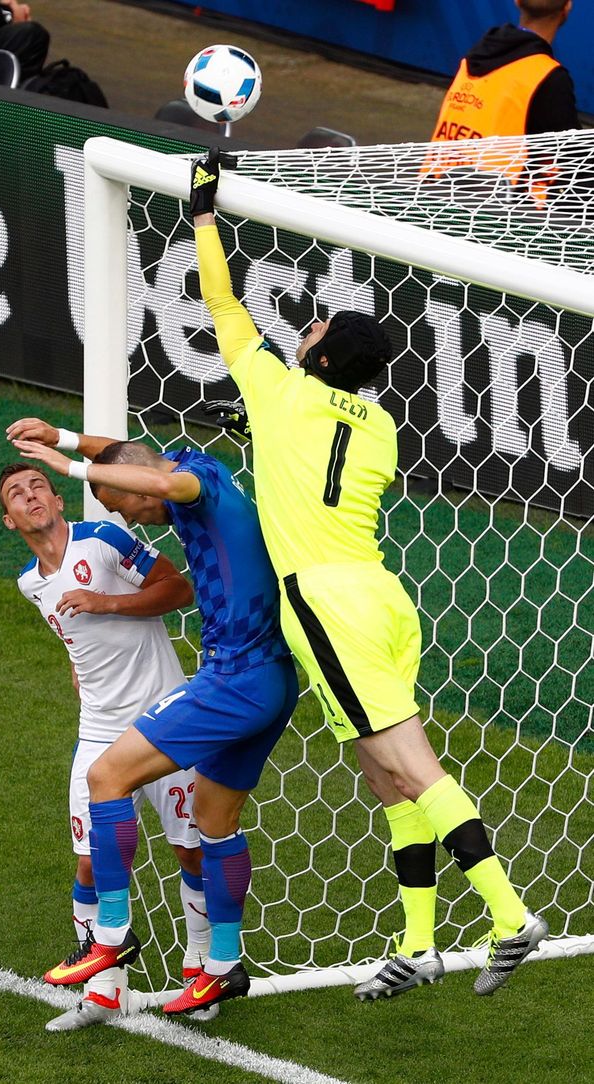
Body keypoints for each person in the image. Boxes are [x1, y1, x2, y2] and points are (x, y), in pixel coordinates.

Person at [187, 148, 549, 1001]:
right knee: (385, 777)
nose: (299, 332)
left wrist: (205, 215)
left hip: (325, 601)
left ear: (316, 356)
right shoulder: (379, 427)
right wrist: (259, 419)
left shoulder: (281, 392)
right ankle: (420, 944)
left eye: (309, 331)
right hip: (381, 598)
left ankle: (508, 914)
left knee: (414, 768)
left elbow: (220, 300)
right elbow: (319, 457)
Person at [6, 418, 298, 1017]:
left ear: (146, 491)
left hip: (231, 678)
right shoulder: (196, 465)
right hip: (268, 676)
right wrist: (64, 439)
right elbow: (133, 458)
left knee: (110, 781)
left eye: (128, 507)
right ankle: (217, 969)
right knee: (216, 826)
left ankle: (110, 941)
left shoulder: (190, 487)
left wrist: (75, 468)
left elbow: (168, 551)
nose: (131, 519)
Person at [0, 460, 216, 1030]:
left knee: (190, 849)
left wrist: (108, 603)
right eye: (17, 494)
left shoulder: (102, 539)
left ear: (59, 500)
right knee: (91, 862)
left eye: (38, 485)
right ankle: (103, 988)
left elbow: (178, 587)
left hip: (167, 719)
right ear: (9, 520)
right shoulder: (29, 583)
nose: (31, 496)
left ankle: (202, 972)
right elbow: (80, 640)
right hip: (97, 731)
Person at [431, 1, 577, 142]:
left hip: (435, 167)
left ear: (517, 2)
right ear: (567, 7)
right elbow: (576, 156)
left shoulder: (473, 58)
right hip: (494, 168)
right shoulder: (550, 78)